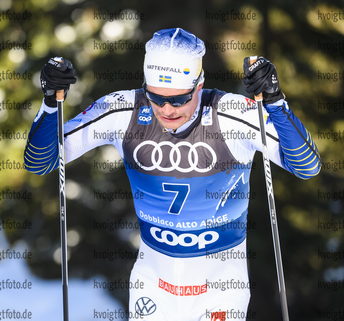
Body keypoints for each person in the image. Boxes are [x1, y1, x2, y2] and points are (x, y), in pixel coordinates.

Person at [24, 28, 321, 321]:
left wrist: (275, 102)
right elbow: (41, 161)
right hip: (152, 290)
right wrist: (51, 102)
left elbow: (306, 165)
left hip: (220, 293)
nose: (166, 109)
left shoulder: (231, 114)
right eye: (155, 97)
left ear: (199, 84)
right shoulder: (123, 110)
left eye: (179, 99)